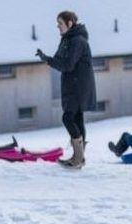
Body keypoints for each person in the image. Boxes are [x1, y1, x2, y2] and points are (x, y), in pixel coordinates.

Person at [35, 10, 96, 169]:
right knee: (77, 118)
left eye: (60, 24)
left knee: (68, 118)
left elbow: (67, 65)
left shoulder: (77, 41)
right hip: (73, 85)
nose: (58, 27)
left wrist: (48, 60)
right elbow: (60, 60)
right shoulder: (67, 40)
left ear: (70, 23)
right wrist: (46, 58)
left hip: (78, 86)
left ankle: (79, 157)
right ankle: (79, 158)